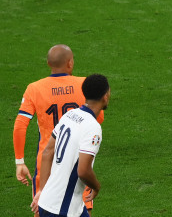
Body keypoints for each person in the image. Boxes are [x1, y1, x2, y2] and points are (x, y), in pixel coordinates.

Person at [13, 44, 104, 214]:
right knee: (80, 209)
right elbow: (98, 118)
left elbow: (20, 125)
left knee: (45, 208)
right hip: (75, 162)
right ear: (70, 63)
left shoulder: (34, 88)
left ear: (48, 63)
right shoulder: (84, 84)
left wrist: (20, 162)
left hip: (46, 164)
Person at [31, 74, 110, 217]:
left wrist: (42, 191)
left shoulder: (69, 115)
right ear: (105, 96)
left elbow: (47, 152)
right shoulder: (93, 127)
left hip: (51, 201)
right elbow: (83, 171)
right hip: (62, 209)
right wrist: (96, 187)